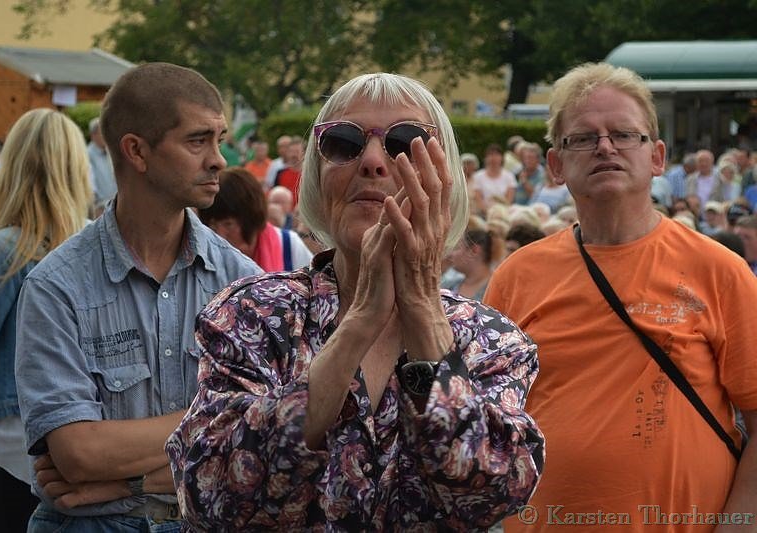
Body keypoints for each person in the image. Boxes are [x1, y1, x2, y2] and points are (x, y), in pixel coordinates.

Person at [167, 72, 544, 530]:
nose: (371, 161)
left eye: (405, 143)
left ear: (445, 182)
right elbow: (209, 494)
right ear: (318, 175)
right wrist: (359, 321)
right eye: (344, 142)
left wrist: (423, 308)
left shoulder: (493, 341)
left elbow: (495, 491)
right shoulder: (249, 314)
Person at [486, 62, 757, 533]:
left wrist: (740, 526)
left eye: (624, 134)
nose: (606, 146)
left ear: (656, 157)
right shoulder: (516, 276)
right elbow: (486, 423)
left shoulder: (719, 270)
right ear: (556, 165)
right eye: (583, 137)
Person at [14, 63, 261, 532]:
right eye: (197, 140)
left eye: (220, 137)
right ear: (137, 152)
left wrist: (126, 483)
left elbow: (263, 444)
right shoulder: (57, 287)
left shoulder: (241, 281)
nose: (218, 159)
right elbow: (78, 454)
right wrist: (221, 428)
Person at [0, 108, 92, 532]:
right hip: (84, 433)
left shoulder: (3, 249)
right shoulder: (96, 243)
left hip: (9, 436)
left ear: (12, 166)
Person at [199, 167, 313, 271]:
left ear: (251, 219)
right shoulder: (202, 258)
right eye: (212, 226)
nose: (220, 235)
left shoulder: (288, 246)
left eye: (228, 224)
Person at [441, 216, 504, 300]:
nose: (452, 254)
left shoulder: (495, 290)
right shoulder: (449, 285)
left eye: (457, 248)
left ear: (474, 251)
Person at [87, 117, 117, 211]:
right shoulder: (87, 155)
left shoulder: (112, 151)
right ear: (93, 135)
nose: (107, 136)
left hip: (115, 205)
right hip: (100, 208)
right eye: (103, 132)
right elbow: (90, 186)